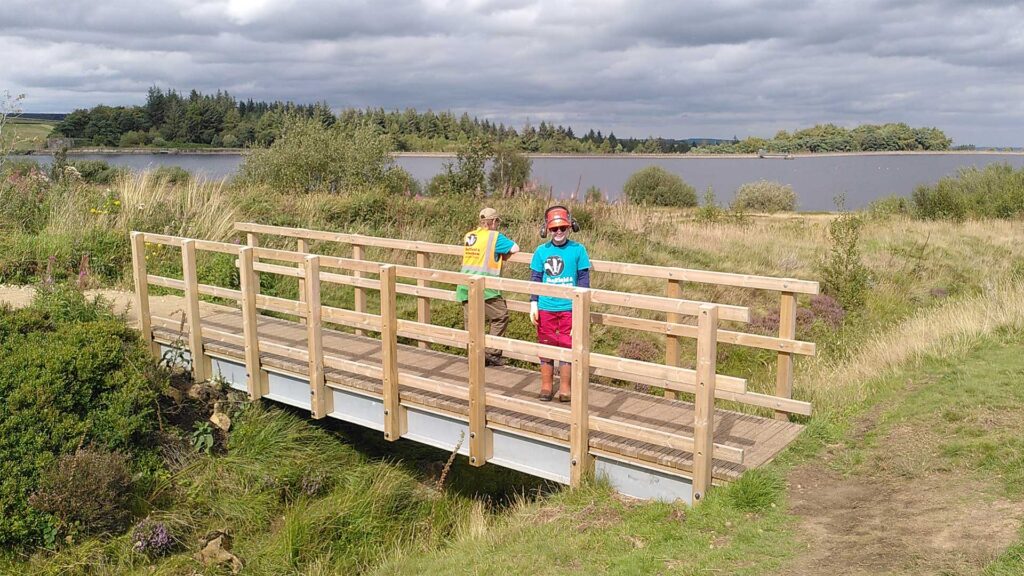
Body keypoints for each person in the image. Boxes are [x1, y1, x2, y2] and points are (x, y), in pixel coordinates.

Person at [529, 205, 590, 402]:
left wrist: (580, 309)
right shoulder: (541, 251)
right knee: (546, 345)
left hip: (569, 308)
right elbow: (536, 278)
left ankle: (565, 388)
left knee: (567, 345)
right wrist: (533, 303)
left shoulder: (578, 250)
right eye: (554, 229)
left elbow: (583, 280)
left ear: (570, 227)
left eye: (562, 228)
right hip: (546, 306)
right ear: (547, 229)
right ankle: (546, 386)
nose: (558, 233)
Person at [455, 207, 520, 366]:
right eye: (497, 222)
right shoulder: (494, 237)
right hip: (486, 287)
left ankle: (474, 357)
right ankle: (492, 353)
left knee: (471, 322)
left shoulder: (470, 235)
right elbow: (515, 248)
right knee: (500, 316)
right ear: (494, 222)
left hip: (465, 285)